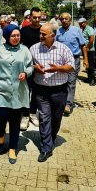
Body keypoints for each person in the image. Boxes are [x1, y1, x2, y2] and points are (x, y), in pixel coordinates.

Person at [0, 25, 33, 164]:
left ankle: (12, 148)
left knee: (15, 121)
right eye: (13, 36)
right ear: (7, 36)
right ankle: (1, 136)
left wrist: (26, 73)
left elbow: (30, 66)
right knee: (0, 118)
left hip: (18, 90)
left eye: (18, 35)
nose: (16, 38)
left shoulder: (24, 50)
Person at [29, 23, 75, 162]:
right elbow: (28, 64)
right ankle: (46, 148)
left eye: (44, 34)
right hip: (41, 89)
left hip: (59, 90)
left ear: (52, 35)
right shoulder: (34, 48)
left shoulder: (63, 48)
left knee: (56, 118)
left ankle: (51, 138)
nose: (41, 36)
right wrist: (34, 67)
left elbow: (71, 66)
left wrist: (59, 68)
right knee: (44, 118)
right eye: (40, 33)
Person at [55, 12, 88, 116]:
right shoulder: (58, 31)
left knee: (71, 81)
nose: (64, 21)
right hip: (61, 60)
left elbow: (83, 45)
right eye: (62, 19)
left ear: (70, 20)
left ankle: (68, 104)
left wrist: (86, 60)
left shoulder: (77, 30)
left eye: (66, 19)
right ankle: (62, 101)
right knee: (61, 81)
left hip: (74, 60)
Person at [19, 7, 43, 130]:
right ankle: (24, 115)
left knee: (36, 92)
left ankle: (33, 113)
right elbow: (19, 47)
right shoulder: (24, 30)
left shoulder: (43, 30)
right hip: (26, 66)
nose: (37, 19)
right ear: (30, 17)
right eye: (35, 17)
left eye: (39, 17)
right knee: (25, 91)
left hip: (40, 66)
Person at [78, 17, 96, 86]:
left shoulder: (89, 29)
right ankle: (89, 78)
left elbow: (91, 39)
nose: (80, 25)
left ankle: (93, 79)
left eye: (81, 23)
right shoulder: (82, 29)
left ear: (85, 22)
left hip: (90, 50)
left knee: (91, 65)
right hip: (84, 49)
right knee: (87, 64)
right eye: (79, 24)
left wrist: (88, 47)